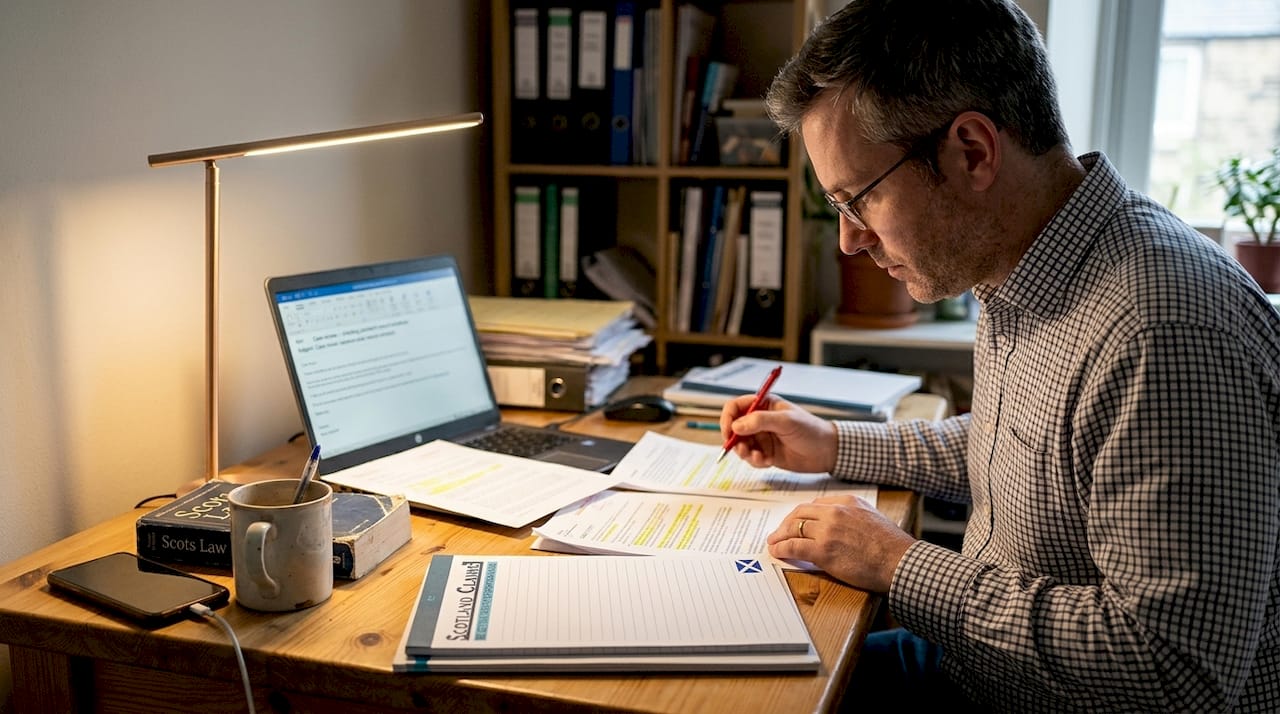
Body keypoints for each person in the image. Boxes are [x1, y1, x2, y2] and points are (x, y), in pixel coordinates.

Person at [721, 0, 1280, 711]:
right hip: (986, 670)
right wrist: (833, 443)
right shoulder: (1027, 263)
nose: (849, 241)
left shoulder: (1161, 331)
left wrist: (896, 563)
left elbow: (1172, 673)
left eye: (858, 199)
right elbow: (1027, 450)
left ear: (973, 152)